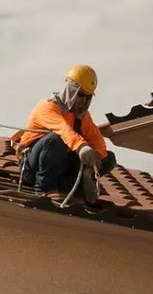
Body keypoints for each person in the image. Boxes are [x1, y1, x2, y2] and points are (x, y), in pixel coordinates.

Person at [15, 65, 116, 204]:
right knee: (56, 139)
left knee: (108, 158)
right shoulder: (47, 106)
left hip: (60, 165)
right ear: (70, 89)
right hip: (33, 167)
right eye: (80, 94)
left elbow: (98, 143)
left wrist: (90, 169)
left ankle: (75, 189)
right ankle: (45, 188)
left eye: (87, 96)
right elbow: (63, 130)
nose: (83, 100)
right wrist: (82, 147)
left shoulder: (82, 117)